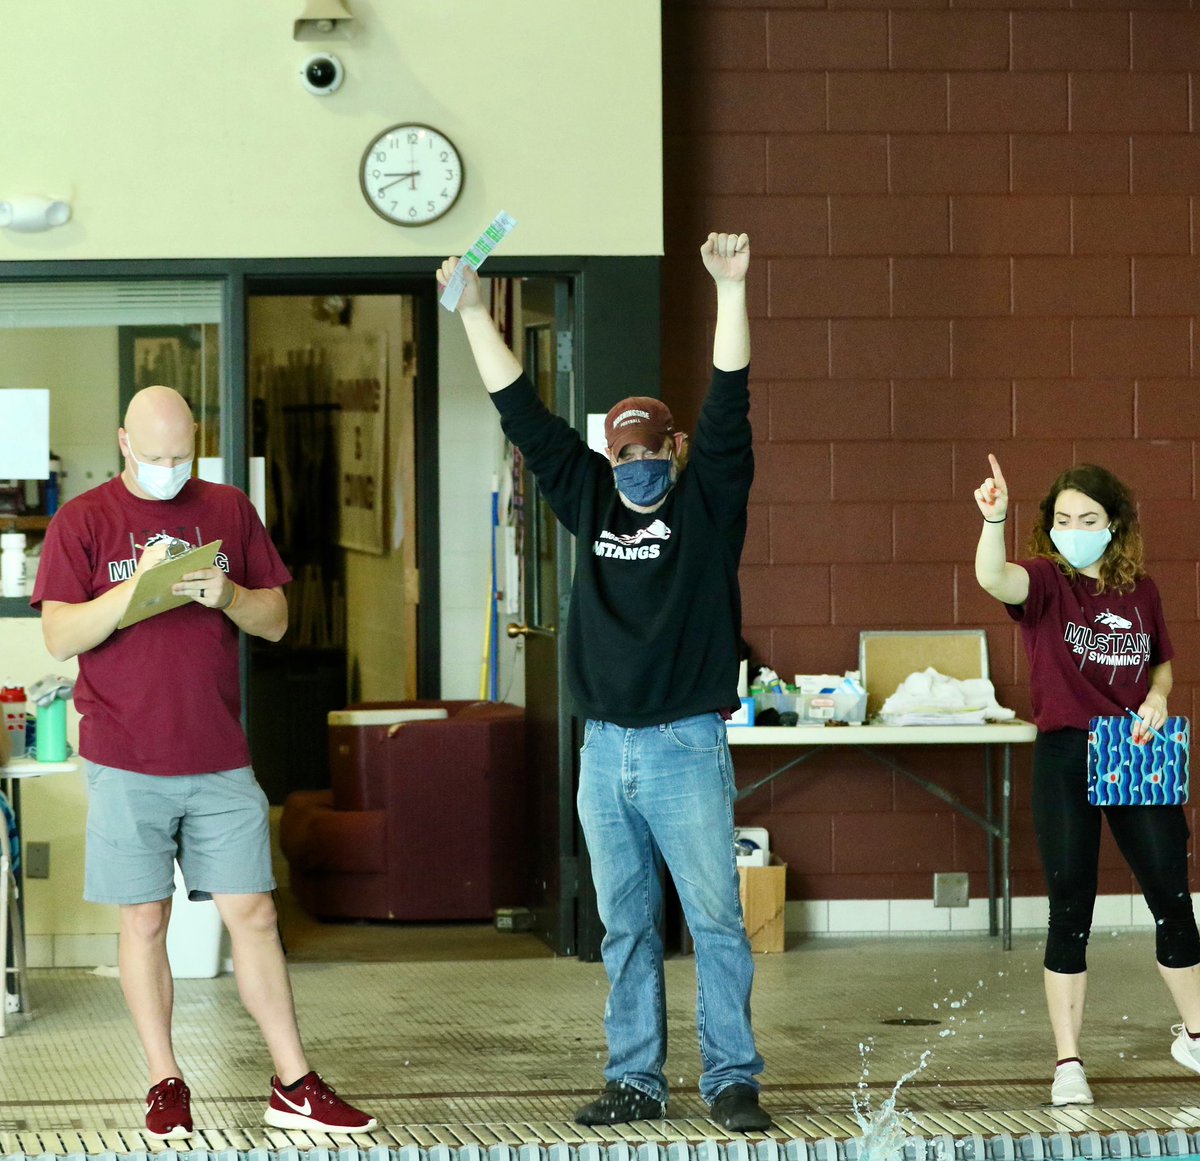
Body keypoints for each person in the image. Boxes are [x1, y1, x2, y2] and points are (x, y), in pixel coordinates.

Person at [437, 233, 771, 1133]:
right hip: (603, 750)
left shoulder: (708, 503)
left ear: (676, 447)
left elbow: (731, 401)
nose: (635, 468)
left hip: (683, 745)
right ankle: (635, 1078)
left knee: (713, 921)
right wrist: (473, 311)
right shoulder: (589, 497)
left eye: (649, 452)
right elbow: (522, 412)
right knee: (623, 925)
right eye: (623, 456)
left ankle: (733, 1077)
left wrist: (729, 291)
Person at [32, 386, 377, 1140]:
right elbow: (59, 636)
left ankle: (294, 1082)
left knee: (253, 912)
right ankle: (165, 1081)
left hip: (219, 754)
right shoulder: (82, 521)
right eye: (154, 457)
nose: (167, 470)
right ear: (124, 442)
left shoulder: (226, 509)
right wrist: (135, 588)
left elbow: (278, 619)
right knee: (144, 919)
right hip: (126, 756)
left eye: (180, 455)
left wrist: (226, 592)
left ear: (197, 442)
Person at [973, 454, 1200, 1107]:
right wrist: (994, 519)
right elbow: (994, 576)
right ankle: (1068, 1059)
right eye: (1064, 518)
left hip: (1133, 749)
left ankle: (1194, 1032)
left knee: (1172, 895)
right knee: (1070, 907)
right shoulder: (1047, 581)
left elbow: (1161, 666)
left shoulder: (1142, 590)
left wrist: (1158, 697)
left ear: (1114, 523)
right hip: (1067, 751)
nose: (1075, 528)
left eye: (1088, 518)